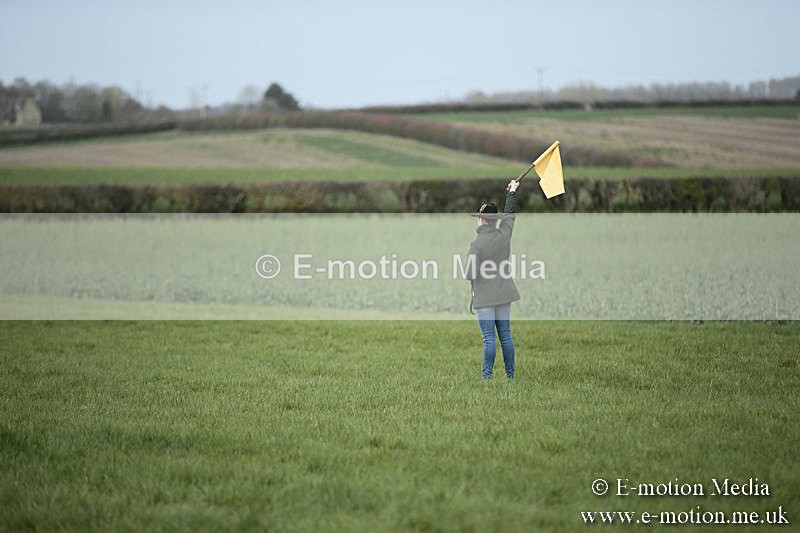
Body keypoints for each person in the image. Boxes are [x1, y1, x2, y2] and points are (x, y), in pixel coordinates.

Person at [467, 179, 521, 380]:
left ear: (481, 220)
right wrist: (512, 193)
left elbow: (469, 273)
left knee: (489, 339)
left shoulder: (476, 244)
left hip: (485, 297)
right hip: (505, 293)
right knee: (506, 337)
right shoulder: (504, 235)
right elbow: (510, 216)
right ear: (495, 220)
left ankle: (486, 377)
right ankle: (510, 376)